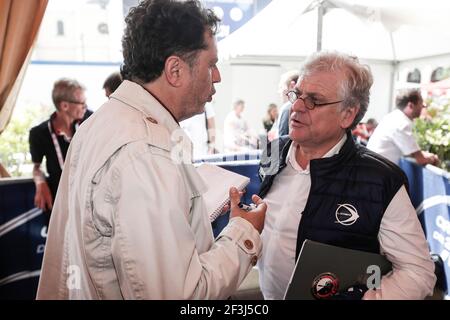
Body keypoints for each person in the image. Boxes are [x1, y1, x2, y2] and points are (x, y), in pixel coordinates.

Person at [37, 0, 266, 300]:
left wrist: (187, 207)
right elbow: (181, 296)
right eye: (211, 64)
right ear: (175, 70)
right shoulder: (145, 153)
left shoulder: (104, 122)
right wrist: (243, 233)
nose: (218, 76)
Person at [257, 51, 436, 300]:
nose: (296, 106)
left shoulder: (381, 180)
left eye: (314, 101)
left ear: (347, 115)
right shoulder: (273, 151)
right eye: (297, 94)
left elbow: (419, 273)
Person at [29, 78, 89, 216]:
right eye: (82, 103)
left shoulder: (90, 121)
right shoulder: (39, 133)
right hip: (59, 201)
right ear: (64, 106)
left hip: (88, 199)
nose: (85, 107)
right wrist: (40, 183)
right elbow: (37, 168)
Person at [367, 89, 440, 166]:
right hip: (378, 172)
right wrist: (433, 159)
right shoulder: (402, 124)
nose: (422, 108)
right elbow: (421, 159)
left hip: (374, 169)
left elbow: (410, 152)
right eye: (421, 105)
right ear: (410, 106)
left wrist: (424, 155)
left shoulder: (393, 117)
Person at [268, 70, 299, 141]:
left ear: (292, 85)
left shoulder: (287, 108)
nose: (279, 91)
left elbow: (282, 141)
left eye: (281, 87)